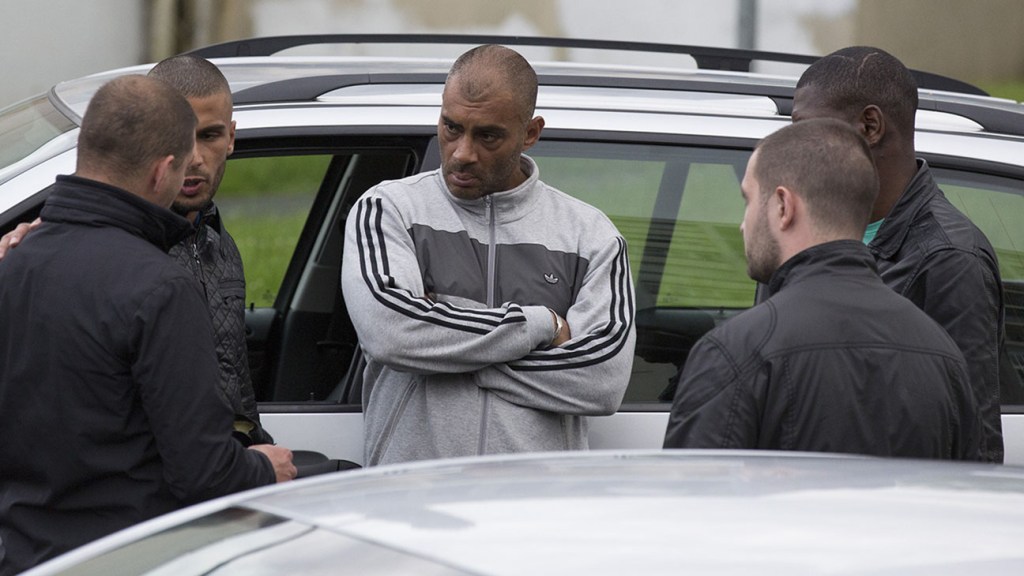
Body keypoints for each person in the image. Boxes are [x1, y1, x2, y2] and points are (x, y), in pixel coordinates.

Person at [0, 75, 296, 576]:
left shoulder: (16, 261)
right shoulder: (159, 285)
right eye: (183, 162)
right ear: (162, 172)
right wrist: (265, 467)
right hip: (129, 556)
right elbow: (203, 472)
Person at [340, 44, 636, 466]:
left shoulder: (590, 236)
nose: (462, 153)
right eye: (451, 127)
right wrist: (542, 324)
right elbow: (392, 333)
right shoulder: (389, 209)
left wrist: (439, 350)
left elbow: (600, 381)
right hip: (415, 496)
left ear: (530, 133)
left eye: (488, 136)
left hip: (533, 500)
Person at [663, 118, 982, 460]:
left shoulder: (735, 352)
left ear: (783, 206)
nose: (743, 224)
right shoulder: (943, 356)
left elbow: (694, 489)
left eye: (749, 200)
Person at [0, 54, 273, 446]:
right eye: (180, 139)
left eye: (209, 136)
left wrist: (257, 454)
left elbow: (232, 386)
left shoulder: (219, 242)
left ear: (230, 138)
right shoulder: (87, 251)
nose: (194, 157)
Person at [790, 46, 1008, 463]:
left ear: (870, 126)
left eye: (804, 129)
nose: (792, 147)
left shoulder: (949, 259)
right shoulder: (811, 231)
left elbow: (971, 442)